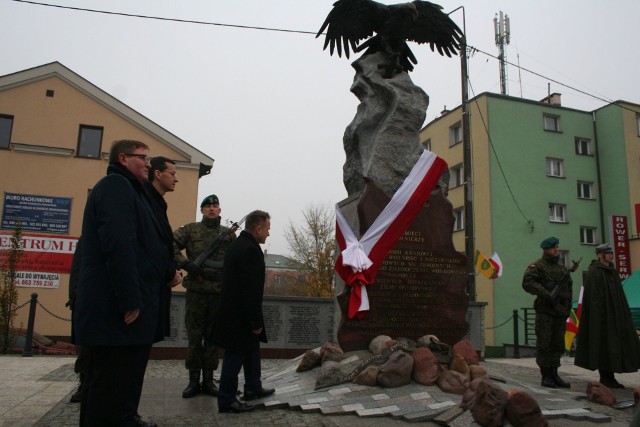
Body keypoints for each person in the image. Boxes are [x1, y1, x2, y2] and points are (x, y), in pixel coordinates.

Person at [73, 140, 182, 427]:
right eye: (142, 158)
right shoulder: (115, 186)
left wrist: (167, 271)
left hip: (131, 309)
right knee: (108, 386)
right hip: (116, 311)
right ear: (123, 158)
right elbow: (119, 245)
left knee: (123, 384)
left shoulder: (137, 193)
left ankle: (126, 418)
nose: (148, 163)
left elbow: (150, 245)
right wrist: (130, 300)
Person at [173, 194, 235, 398]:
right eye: (207, 206)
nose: (211, 209)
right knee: (194, 337)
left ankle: (209, 380)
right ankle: (193, 381)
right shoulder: (190, 230)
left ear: (219, 210)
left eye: (215, 206)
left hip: (218, 292)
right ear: (202, 210)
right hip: (196, 293)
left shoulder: (228, 234)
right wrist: (184, 264)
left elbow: (235, 259)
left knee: (212, 339)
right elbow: (170, 245)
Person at [213, 210, 274, 413]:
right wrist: (255, 321)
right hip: (240, 317)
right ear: (258, 229)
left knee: (251, 350)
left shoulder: (238, 245)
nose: (268, 233)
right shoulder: (250, 250)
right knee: (235, 355)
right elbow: (250, 289)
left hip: (234, 312)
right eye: (267, 229)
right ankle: (227, 399)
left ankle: (252, 387)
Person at [574, 243, 640, 388]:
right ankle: (606, 377)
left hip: (615, 316)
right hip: (602, 318)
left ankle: (610, 376)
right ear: (599, 254)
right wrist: (600, 317)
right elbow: (594, 298)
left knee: (615, 346)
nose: (611, 255)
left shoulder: (612, 271)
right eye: (607, 253)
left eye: (611, 253)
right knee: (603, 346)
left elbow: (619, 295)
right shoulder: (595, 272)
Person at [522, 236, 573, 389]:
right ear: (546, 249)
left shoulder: (562, 268)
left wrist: (567, 309)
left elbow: (568, 289)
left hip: (560, 312)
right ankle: (546, 376)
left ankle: (554, 373)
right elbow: (527, 282)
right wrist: (545, 293)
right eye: (554, 247)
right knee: (545, 343)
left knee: (557, 343)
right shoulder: (537, 266)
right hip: (545, 311)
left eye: (557, 247)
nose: (556, 250)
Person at [145, 156, 180, 341]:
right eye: (172, 173)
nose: (176, 179)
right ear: (158, 174)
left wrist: (173, 270)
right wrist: (169, 272)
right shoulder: (147, 203)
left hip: (157, 289)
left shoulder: (157, 203)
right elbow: (152, 247)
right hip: (148, 292)